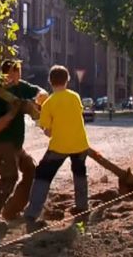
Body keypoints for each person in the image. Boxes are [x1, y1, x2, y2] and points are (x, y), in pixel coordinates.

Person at [0, 59, 48, 225]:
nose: (16, 76)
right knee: (10, 177)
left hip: (16, 145)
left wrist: (41, 96)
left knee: (31, 169)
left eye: (18, 72)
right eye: (13, 72)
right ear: (5, 74)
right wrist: (11, 114)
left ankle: (11, 210)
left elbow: (38, 91)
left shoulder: (20, 86)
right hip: (0, 143)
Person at [24, 65, 90, 229]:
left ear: (50, 81)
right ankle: (82, 207)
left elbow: (48, 132)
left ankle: (33, 213)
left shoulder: (49, 103)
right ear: (67, 80)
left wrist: (39, 112)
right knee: (79, 173)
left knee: (42, 175)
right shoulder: (75, 97)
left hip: (59, 146)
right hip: (80, 144)